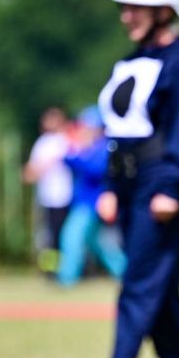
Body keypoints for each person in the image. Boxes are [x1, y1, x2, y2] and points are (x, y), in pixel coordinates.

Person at [73, 0, 179, 358]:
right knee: (159, 287)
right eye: (125, 6)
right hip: (130, 186)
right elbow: (121, 131)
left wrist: (171, 187)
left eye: (136, 6)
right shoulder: (131, 61)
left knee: (139, 282)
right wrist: (113, 186)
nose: (126, 15)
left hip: (159, 187)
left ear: (165, 11)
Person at [57, 106, 127, 286]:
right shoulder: (90, 146)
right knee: (100, 245)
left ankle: (67, 278)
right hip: (84, 202)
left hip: (92, 204)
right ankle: (126, 273)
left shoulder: (105, 146)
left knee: (71, 237)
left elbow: (96, 169)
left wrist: (74, 155)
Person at [24, 107, 73, 277]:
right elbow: (32, 168)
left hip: (63, 195)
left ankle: (62, 270)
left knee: (60, 233)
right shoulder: (42, 142)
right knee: (48, 234)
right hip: (46, 196)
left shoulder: (64, 141)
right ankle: (50, 270)